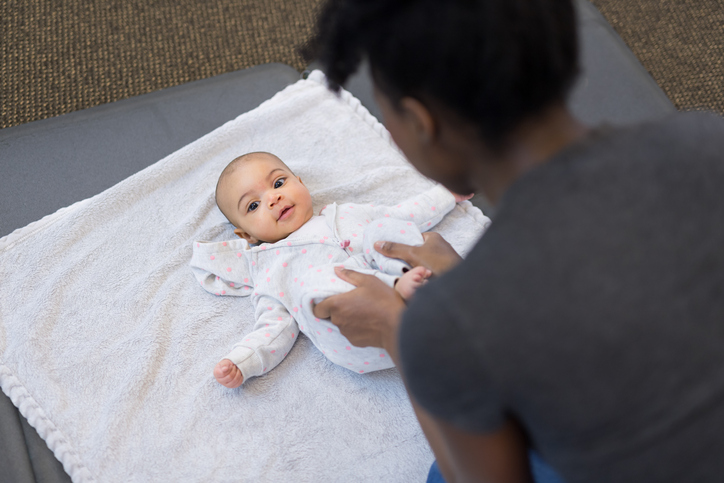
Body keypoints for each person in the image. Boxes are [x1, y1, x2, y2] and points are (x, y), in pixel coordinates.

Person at [304, 0, 724, 482]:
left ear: (422, 123)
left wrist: (394, 331)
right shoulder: (707, 140)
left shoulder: (442, 327)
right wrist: (472, 287)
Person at [190, 151, 477, 388]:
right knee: (312, 283)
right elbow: (273, 327)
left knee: (384, 227)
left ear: (300, 183)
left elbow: (405, 214)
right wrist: (243, 361)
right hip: (356, 333)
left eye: (278, 183)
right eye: (253, 205)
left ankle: (407, 284)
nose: (273, 198)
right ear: (247, 236)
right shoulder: (270, 269)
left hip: (409, 285)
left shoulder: (348, 213)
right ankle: (399, 291)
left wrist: (446, 194)